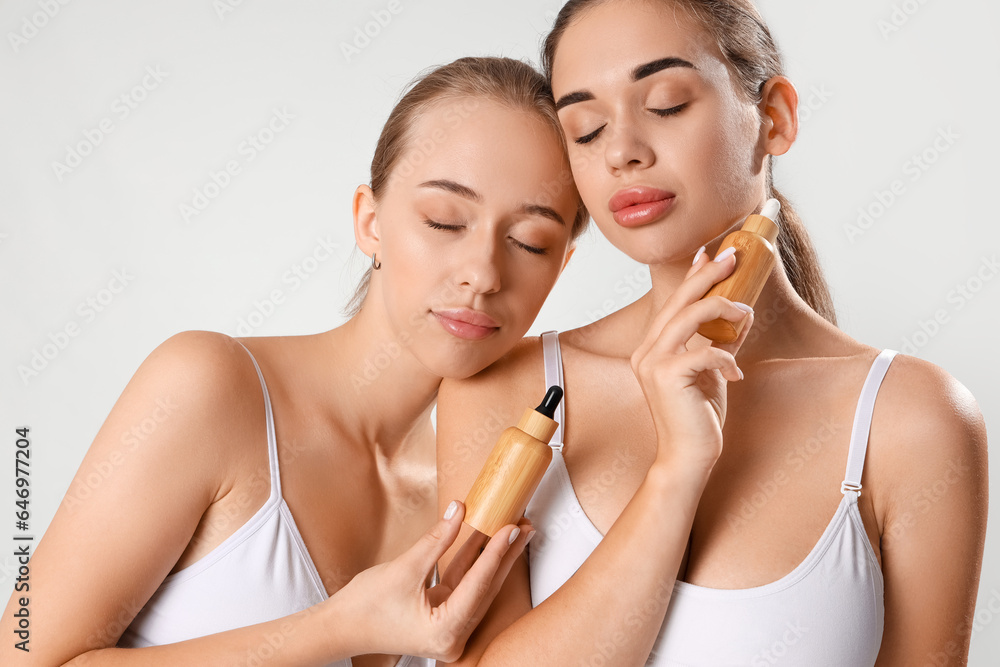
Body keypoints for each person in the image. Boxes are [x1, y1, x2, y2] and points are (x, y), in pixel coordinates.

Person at [436, 2, 988, 665]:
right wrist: (677, 470)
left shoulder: (913, 419)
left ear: (775, 118)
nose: (622, 150)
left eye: (666, 103)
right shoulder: (508, 390)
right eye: (584, 129)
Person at [0, 56, 589, 666]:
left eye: (530, 242)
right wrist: (334, 630)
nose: (484, 274)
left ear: (560, 269)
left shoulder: (489, 492)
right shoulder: (211, 389)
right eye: (445, 221)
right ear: (370, 221)